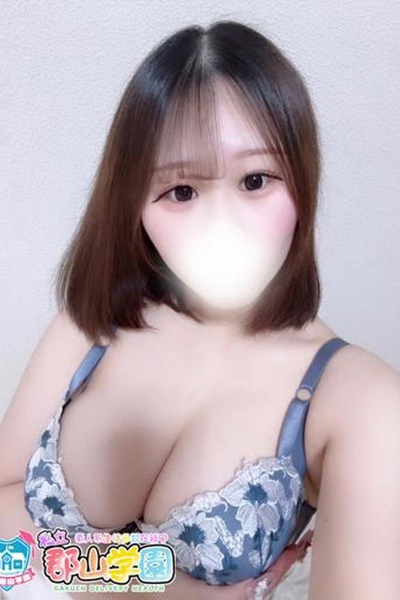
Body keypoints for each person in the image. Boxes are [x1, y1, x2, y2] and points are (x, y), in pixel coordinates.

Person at [0, 19, 399, 600]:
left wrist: (71, 566)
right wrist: (164, 584)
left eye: (256, 180)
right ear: (135, 204)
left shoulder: (359, 398)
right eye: (181, 191)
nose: (222, 224)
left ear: (303, 183)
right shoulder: (92, 324)